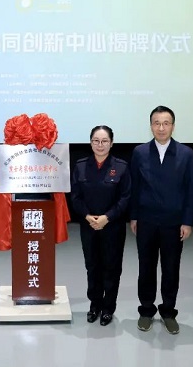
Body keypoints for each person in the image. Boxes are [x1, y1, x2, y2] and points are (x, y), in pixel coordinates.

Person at [130, 105, 193, 334]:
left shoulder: (186, 154)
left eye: (166, 123)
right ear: (151, 126)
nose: (161, 128)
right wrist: (134, 216)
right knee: (146, 268)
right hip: (146, 221)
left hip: (173, 223)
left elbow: (190, 190)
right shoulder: (140, 152)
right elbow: (134, 187)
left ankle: (168, 311)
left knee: (171, 269)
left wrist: (187, 221)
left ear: (173, 126)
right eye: (157, 123)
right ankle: (146, 311)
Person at [71, 125, 131, 326]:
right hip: (88, 226)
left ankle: (108, 308)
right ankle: (94, 305)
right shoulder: (81, 166)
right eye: (96, 141)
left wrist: (107, 217)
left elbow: (125, 198)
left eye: (104, 141)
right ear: (90, 143)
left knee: (111, 268)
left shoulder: (121, 166)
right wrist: (87, 216)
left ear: (111, 143)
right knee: (92, 266)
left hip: (113, 227)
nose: (100, 145)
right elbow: (75, 197)